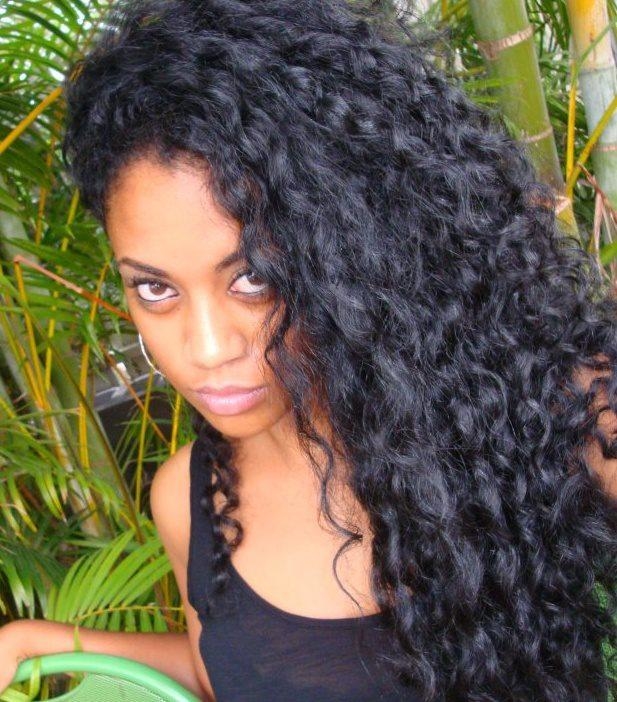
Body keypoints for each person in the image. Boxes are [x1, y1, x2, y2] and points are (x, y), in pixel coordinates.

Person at [1, 0, 616, 699]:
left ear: (356, 248)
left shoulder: (559, 414)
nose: (207, 348)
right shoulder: (191, 497)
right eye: (155, 289)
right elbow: (236, 677)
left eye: (254, 279)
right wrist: (46, 643)